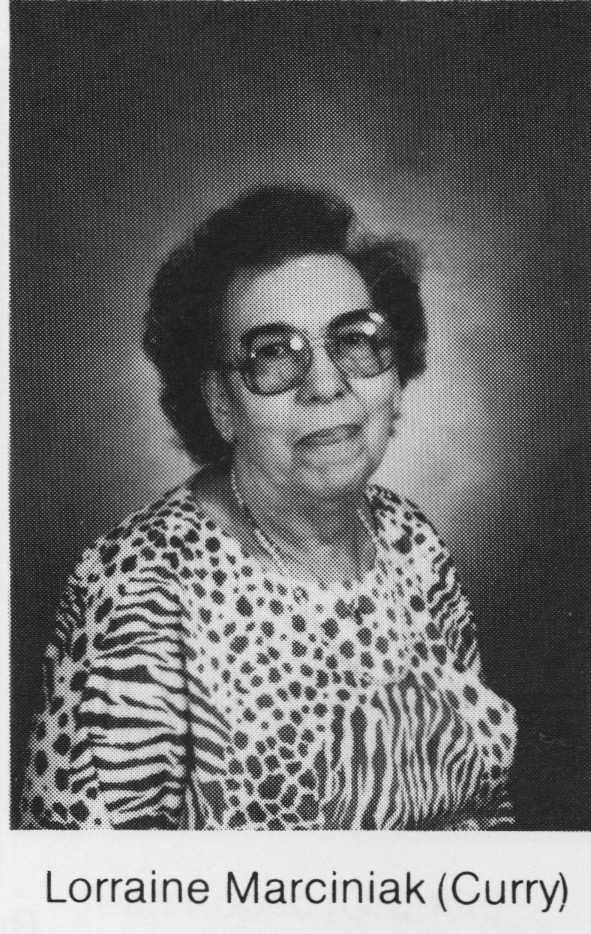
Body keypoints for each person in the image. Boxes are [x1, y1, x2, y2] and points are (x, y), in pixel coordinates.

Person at [19, 184, 516, 830]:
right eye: (273, 354)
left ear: (394, 375)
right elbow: (86, 882)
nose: (326, 384)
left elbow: (485, 810)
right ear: (220, 403)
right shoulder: (140, 590)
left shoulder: (412, 542)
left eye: (354, 339)